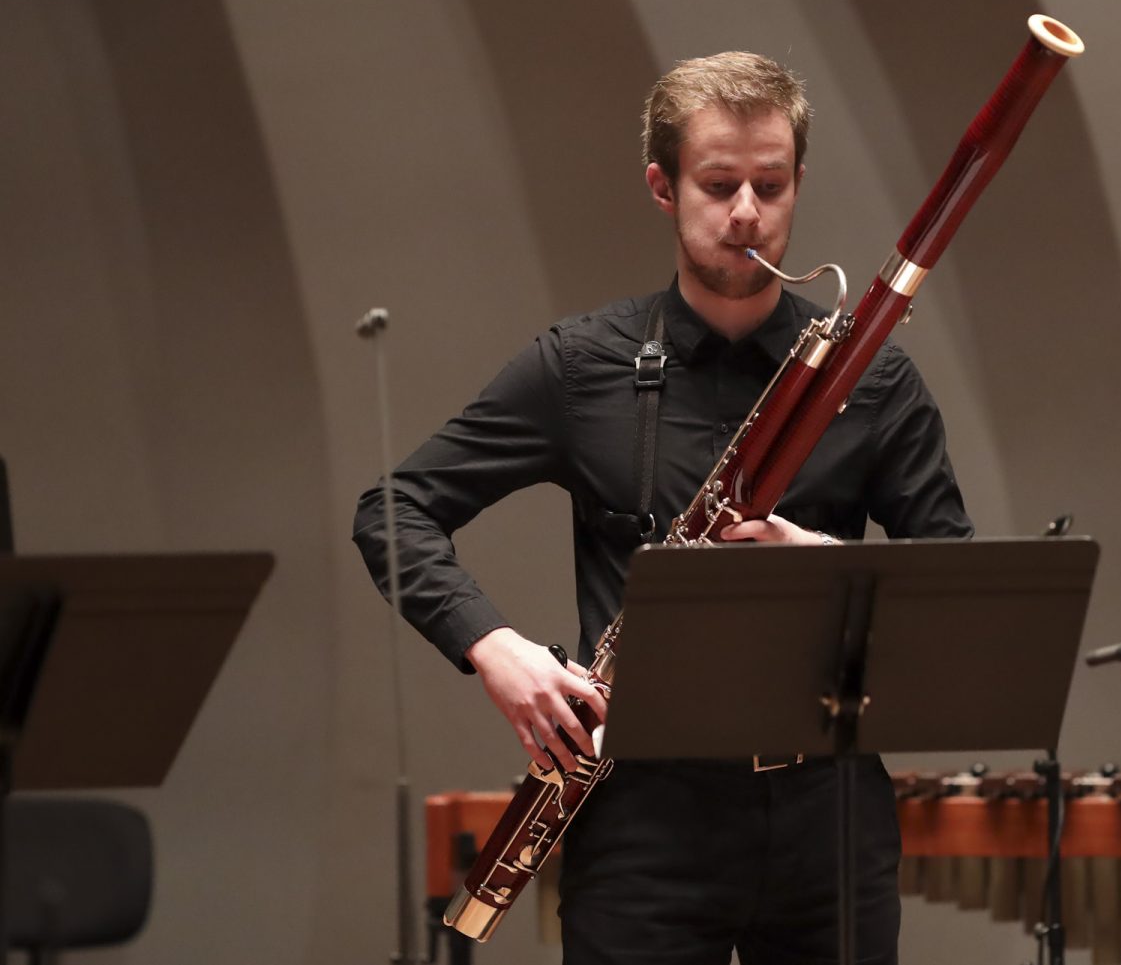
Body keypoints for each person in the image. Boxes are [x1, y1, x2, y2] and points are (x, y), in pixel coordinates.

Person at [354, 50, 972, 965]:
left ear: (799, 183)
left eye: (771, 184)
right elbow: (392, 508)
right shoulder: (580, 366)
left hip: (828, 815)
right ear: (662, 186)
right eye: (718, 185)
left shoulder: (871, 378)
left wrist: (825, 562)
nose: (747, 212)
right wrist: (494, 646)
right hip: (642, 819)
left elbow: (952, 585)